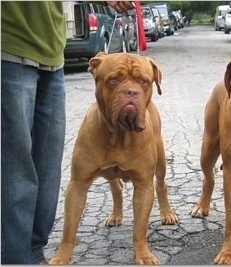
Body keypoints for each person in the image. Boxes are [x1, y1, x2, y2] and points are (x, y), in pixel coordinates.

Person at [1, 1, 134, 264]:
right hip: (8, 48)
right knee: (17, 168)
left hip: (52, 53)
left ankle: (35, 252)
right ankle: (16, 258)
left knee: (49, 167)